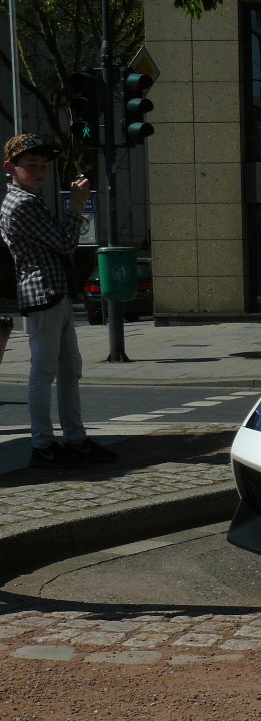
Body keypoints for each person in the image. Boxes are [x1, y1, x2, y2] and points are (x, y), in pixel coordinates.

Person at [1, 133, 117, 469]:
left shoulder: (29, 200)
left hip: (52, 293)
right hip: (43, 294)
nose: (39, 171)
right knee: (46, 370)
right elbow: (66, 242)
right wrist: (77, 206)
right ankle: (44, 444)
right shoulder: (21, 204)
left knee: (68, 369)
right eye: (31, 165)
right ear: (11, 167)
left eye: (42, 166)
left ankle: (74, 439)